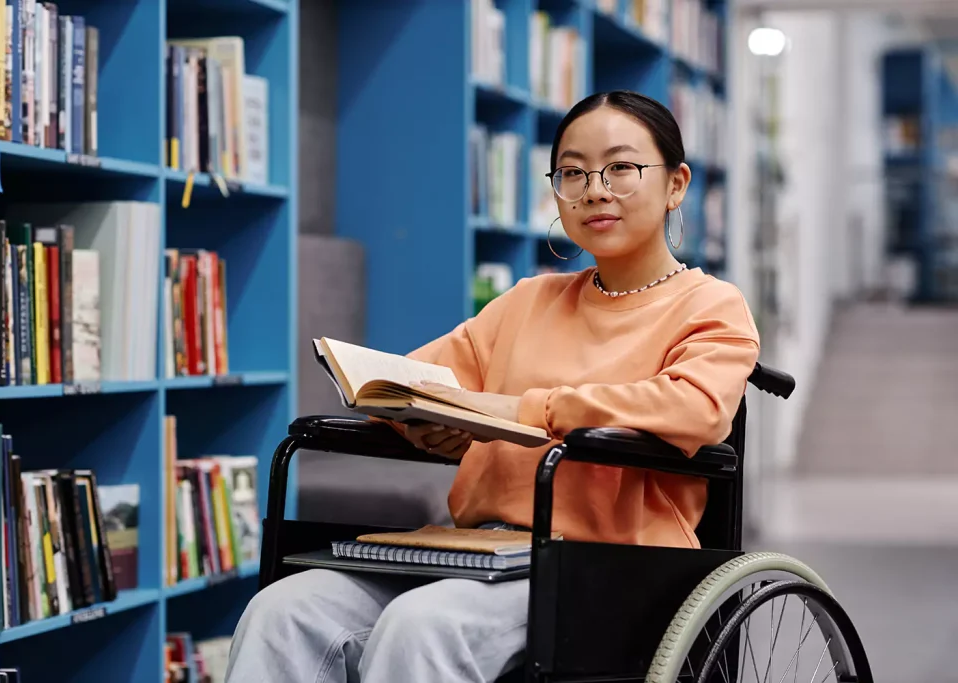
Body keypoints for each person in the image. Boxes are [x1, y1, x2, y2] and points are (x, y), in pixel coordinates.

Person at [225, 90, 760, 683]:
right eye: (573, 172)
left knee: (424, 624)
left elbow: (697, 409)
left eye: (621, 168)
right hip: (478, 550)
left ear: (676, 184)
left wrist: (528, 410)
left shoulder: (710, 304)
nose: (595, 189)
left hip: (607, 566)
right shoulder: (529, 300)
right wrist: (422, 423)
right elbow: (412, 383)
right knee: (283, 609)